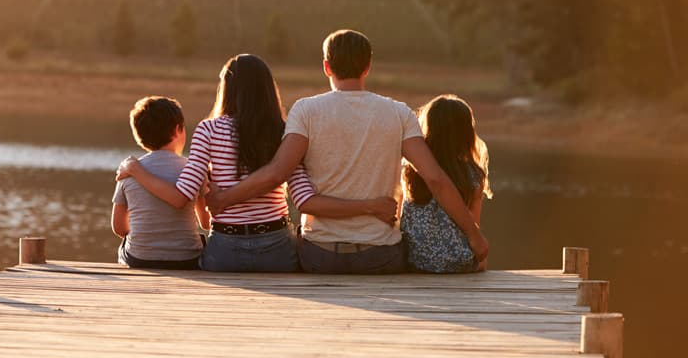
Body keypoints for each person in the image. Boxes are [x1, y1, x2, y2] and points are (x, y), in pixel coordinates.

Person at [207, 30, 489, 274]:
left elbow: (278, 172)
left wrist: (224, 198)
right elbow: (436, 179)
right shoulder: (399, 113)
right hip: (381, 257)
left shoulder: (305, 110)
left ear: (327, 67)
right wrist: (474, 236)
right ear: (367, 67)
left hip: (319, 256)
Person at [118, 54, 397, 272]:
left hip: (225, 252)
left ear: (226, 88)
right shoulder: (283, 132)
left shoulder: (208, 130)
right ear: (267, 88)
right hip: (277, 251)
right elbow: (303, 197)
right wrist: (369, 207)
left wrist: (135, 169)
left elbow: (182, 196)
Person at [112, 96, 209, 269]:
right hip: (187, 259)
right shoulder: (193, 170)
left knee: (125, 246)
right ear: (178, 129)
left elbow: (119, 227)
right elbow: (206, 222)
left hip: (140, 258)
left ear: (139, 136)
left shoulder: (127, 170)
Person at [400, 95, 492, 273]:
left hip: (413, 260)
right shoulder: (473, 174)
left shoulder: (410, 171)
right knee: (482, 264)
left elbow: (400, 216)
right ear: (467, 133)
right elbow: (473, 224)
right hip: (458, 261)